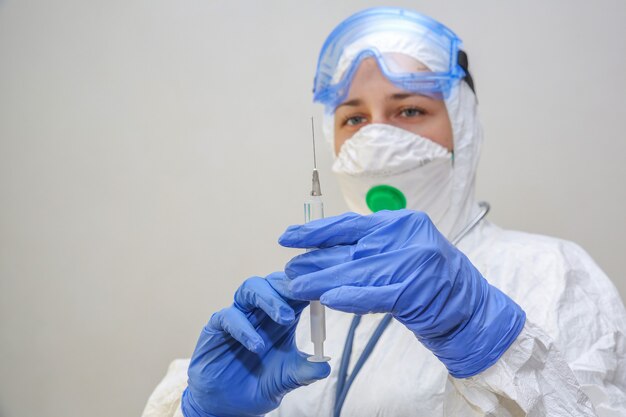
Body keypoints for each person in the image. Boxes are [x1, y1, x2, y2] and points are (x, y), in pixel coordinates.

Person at [142, 7, 626, 417]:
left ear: (463, 128)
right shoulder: (301, 306)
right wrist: (201, 412)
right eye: (353, 118)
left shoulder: (552, 275)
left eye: (409, 110)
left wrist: (485, 334)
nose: (376, 137)